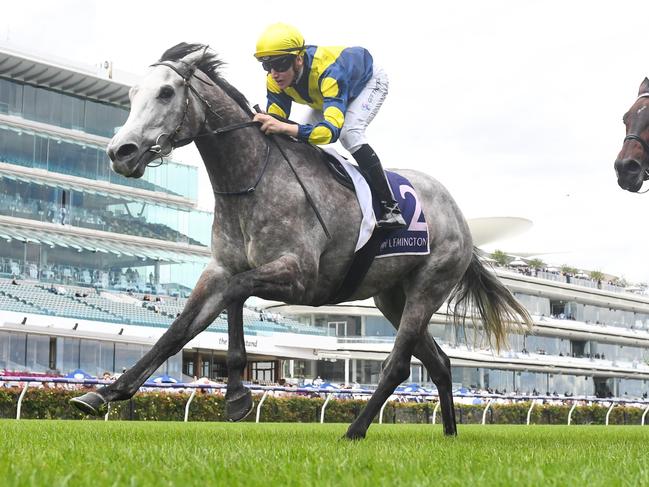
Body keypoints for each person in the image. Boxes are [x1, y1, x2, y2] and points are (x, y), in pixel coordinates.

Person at [253, 23, 406, 230]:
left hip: (365, 84)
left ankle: (391, 208)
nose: (274, 73)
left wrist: (284, 128)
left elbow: (330, 132)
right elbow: (277, 118)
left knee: (349, 133)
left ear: (298, 59)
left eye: (280, 65)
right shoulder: (274, 78)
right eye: (267, 66)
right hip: (326, 97)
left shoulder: (329, 71)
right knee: (295, 136)